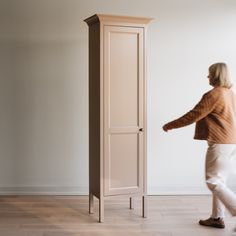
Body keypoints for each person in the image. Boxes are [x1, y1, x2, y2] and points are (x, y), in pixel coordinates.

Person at [162, 62, 236, 232]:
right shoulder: (229, 93)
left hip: (220, 142)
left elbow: (194, 115)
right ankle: (217, 218)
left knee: (213, 181)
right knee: (220, 181)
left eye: (209, 74)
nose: (207, 76)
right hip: (231, 142)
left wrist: (170, 125)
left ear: (216, 75)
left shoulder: (214, 94)